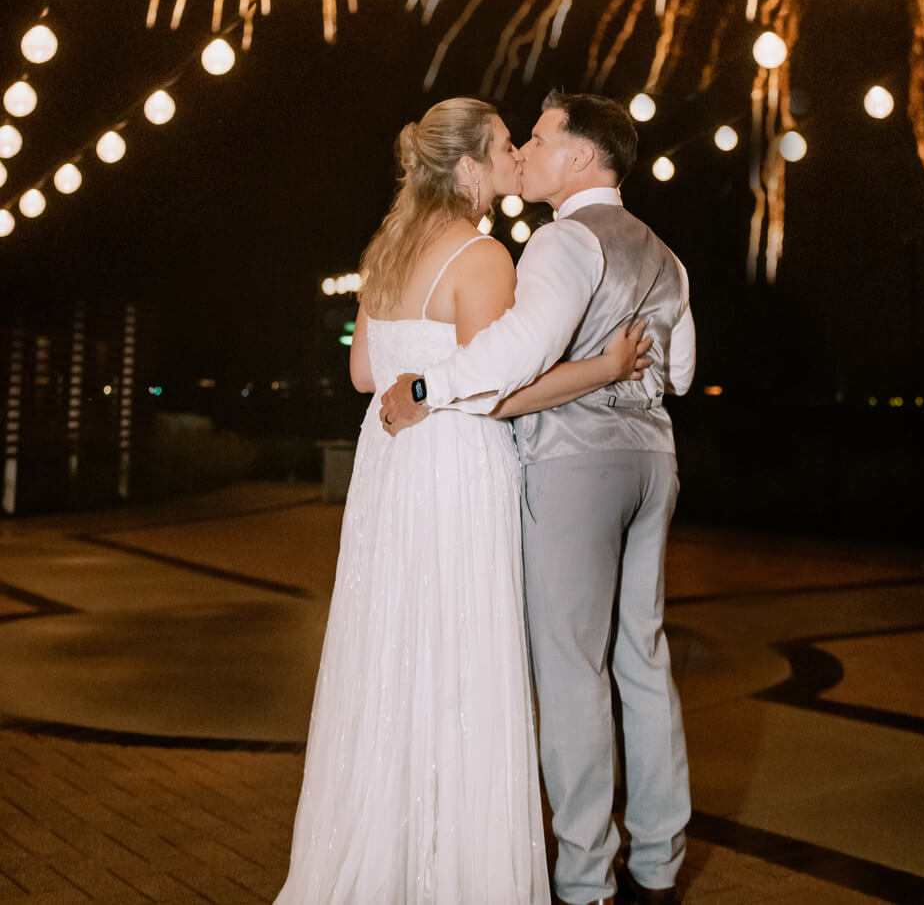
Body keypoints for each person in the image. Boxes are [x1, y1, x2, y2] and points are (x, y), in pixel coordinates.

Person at [274, 96, 649, 905]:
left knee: (392, 653)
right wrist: (604, 369)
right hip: (455, 467)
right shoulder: (484, 258)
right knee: (462, 655)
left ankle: (385, 851)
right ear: (473, 164)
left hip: (390, 463)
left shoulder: (385, 249)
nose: (518, 155)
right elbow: (496, 392)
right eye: (507, 144)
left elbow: (364, 377)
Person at [381, 91, 695, 905]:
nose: (529, 146)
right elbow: (682, 373)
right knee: (644, 659)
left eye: (545, 137)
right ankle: (660, 867)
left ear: (583, 158)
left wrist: (426, 383)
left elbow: (516, 353)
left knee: (570, 671)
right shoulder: (666, 253)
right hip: (653, 461)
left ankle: (587, 879)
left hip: (576, 464)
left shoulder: (564, 241)